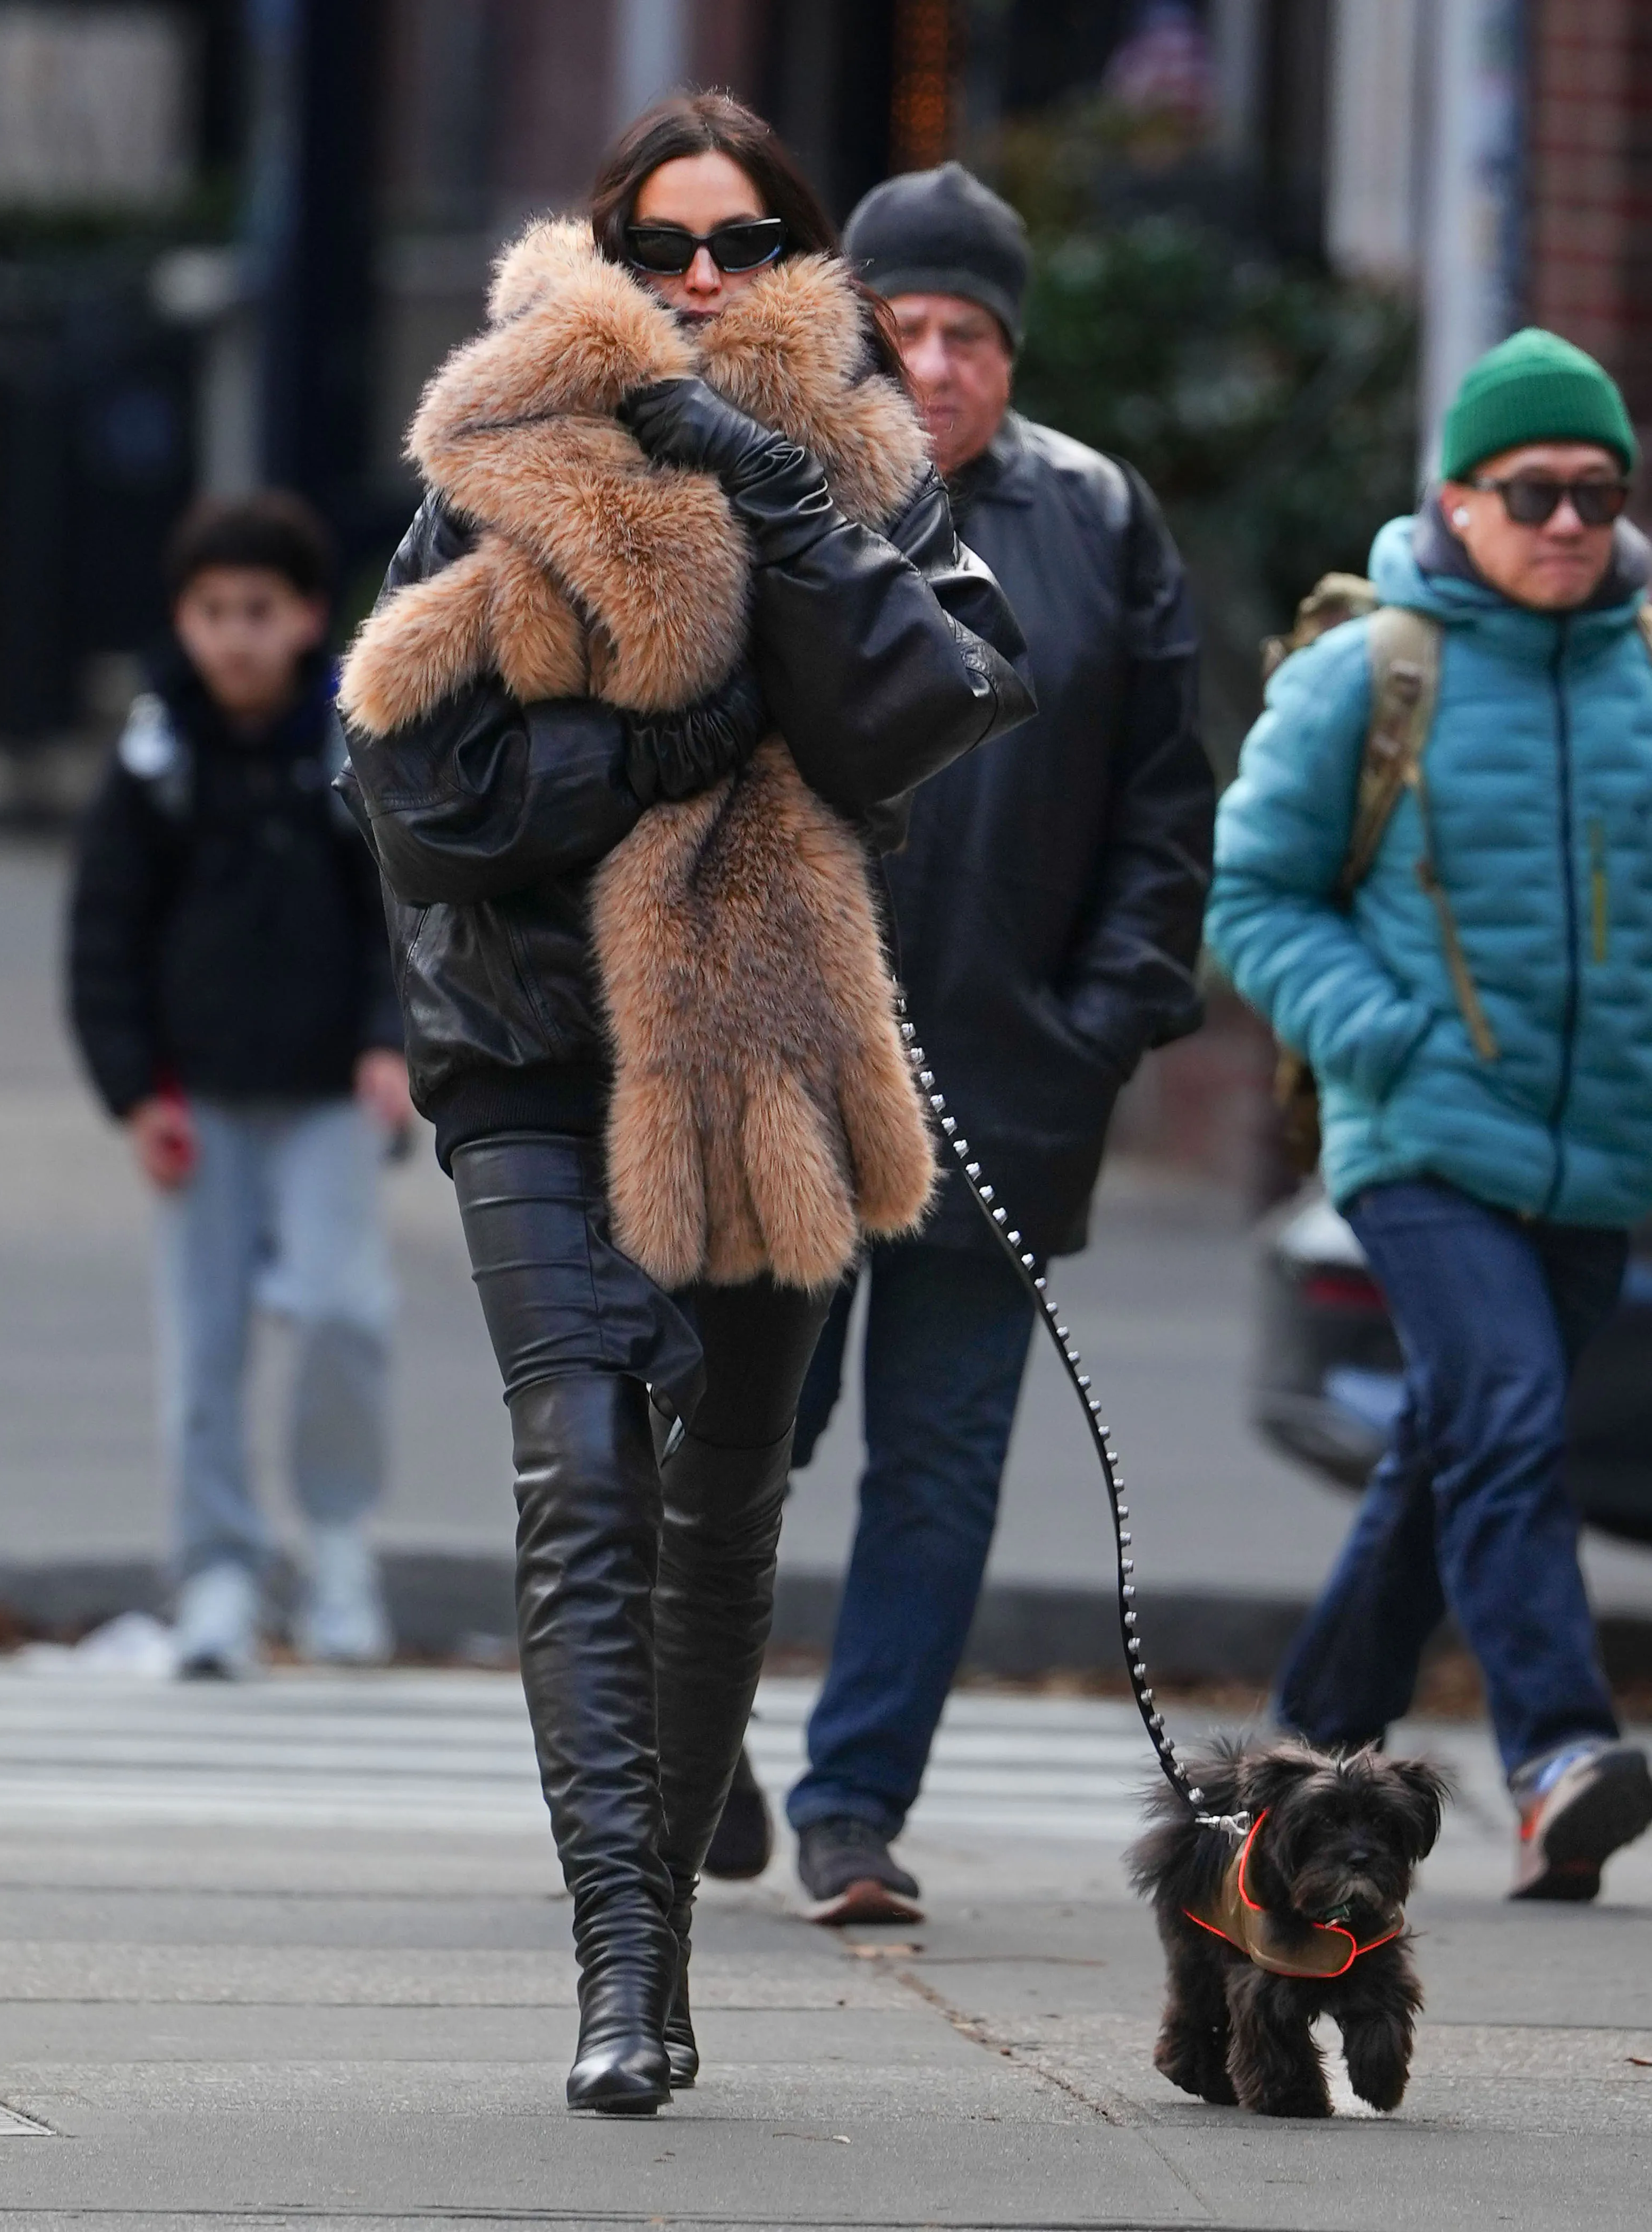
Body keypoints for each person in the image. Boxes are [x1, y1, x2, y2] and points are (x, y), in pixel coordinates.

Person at [335, 96, 1032, 2116]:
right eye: (662, 245)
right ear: (609, 254)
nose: (699, 282)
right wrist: (652, 759)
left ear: (802, 261)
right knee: (580, 1475)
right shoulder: (498, 440)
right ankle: (622, 1972)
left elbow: (927, 705)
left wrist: (776, 503)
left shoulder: (866, 467)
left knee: (722, 1504)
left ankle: (663, 1904)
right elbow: (412, 792)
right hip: (528, 1047)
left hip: (765, 1046)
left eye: (739, 245)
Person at [705, 162, 1212, 1920]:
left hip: (1009, 1086)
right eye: (901, 327)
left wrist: (1098, 1022)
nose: (934, 361)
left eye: (968, 333)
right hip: (798, 1066)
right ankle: (699, 1745)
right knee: (749, 1437)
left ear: (1009, 349)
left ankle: (857, 1811)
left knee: (942, 1463)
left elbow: (1164, 802)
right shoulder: (770, 484)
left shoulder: (1097, 515)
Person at [1207, 327, 1652, 1900]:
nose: (1569, 523)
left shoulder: (1645, 672)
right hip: (1420, 1143)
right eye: (1534, 491)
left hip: (1601, 1156)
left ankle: (1297, 1765)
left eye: (1600, 493)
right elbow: (1252, 897)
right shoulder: (1370, 673)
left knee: (1450, 1451)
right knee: (1513, 1413)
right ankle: (1556, 1758)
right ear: (1460, 498)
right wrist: (1379, 1035)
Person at [69, 494, 410, 1678]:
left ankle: (337, 1547)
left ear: (310, 616)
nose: (236, 637)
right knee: (203, 1350)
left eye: (259, 611)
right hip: (196, 1099)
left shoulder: (347, 744)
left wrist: (391, 1040)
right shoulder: (155, 756)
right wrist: (132, 1093)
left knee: (340, 1317)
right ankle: (215, 1569)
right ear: (184, 619)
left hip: (328, 1094)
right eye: (213, 613)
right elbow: (103, 935)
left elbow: (400, 911)